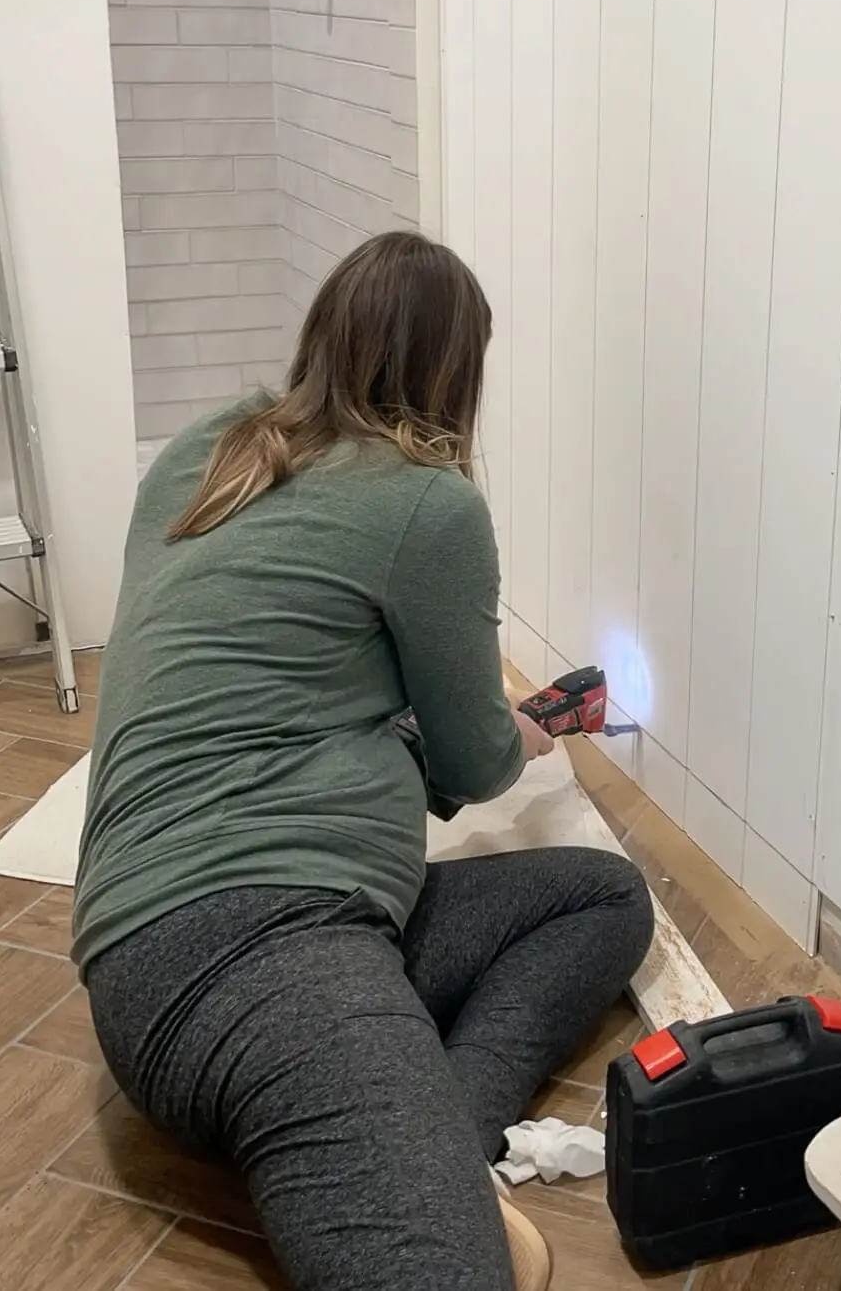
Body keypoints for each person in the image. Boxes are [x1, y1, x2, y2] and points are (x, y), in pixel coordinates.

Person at [72, 232, 653, 1291]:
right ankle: (409, 1149)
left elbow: (275, 681)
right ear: (454, 374)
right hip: (261, 955)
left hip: (137, 949)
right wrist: (521, 730)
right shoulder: (428, 502)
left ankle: (423, 1131)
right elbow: (479, 762)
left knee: (601, 897)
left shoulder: (208, 447)